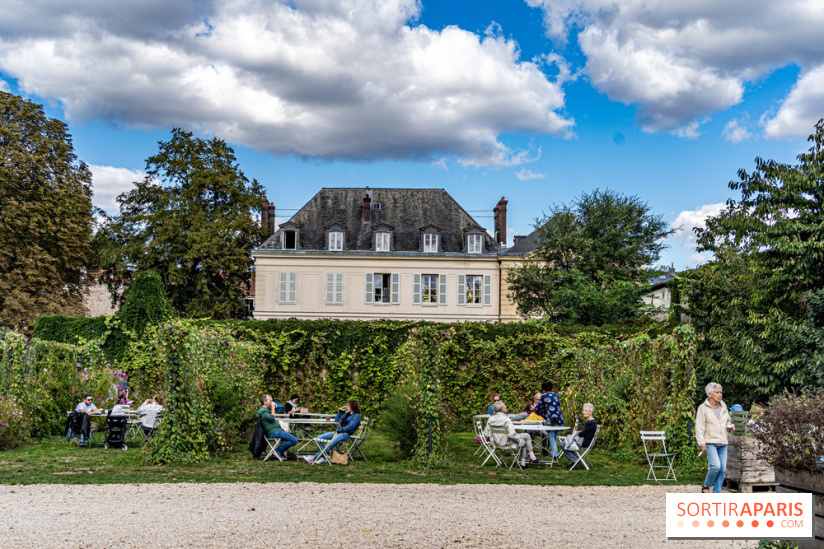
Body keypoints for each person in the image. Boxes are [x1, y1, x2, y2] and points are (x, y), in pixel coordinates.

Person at [695, 382, 735, 493]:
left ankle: (716, 494)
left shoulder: (723, 407)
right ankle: (706, 486)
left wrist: (730, 427)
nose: (720, 395)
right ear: (710, 394)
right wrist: (701, 442)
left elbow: (727, 421)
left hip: (723, 442)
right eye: (717, 392)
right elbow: (699, 426)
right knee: (716, 466)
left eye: (720, 392)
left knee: (722, 470)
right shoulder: (703, 408)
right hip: (710, 442)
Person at [302, 399, 361, 464]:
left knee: (328, 445)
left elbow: (350, 427)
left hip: (345, 434)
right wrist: (340, 411)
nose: (346, 407)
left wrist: (338, 431)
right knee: (319, 438)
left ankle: (312, 458)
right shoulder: (347, 414)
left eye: (348, 405)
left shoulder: (356, 416)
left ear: (352, 406)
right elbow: (336, 421)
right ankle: (323, 458)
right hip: (338, 432)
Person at [484, 400, 539, 468]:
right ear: (502, 409)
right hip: (508, 443)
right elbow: (512, 434)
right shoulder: (507, 419)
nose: (506, 406)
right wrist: (518, 440)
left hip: (496, 443)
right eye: (504, 405)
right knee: (525, 439)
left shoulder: (491, 419)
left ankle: (530, 460)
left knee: (526, 436)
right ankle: (526, 461)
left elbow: (486, 433)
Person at [257, 395, 299, 460]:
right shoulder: (263, 411)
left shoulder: (265, 410)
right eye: (270, 401)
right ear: (264, 402)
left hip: (277, 431)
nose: (272, 402)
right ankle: (278, 450)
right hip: (274, 432)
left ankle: (280, 451)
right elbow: (271, 418)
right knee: (294, 440)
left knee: (292, 437)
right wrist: (273, 407)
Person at [535, 381, 564, 458]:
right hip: (559, 417)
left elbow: (539, 406)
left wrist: (534, 408)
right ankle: (553, 453)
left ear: (543, 389)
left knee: (551, 435)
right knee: (554, 435)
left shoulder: (544, 396)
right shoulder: (555, 395)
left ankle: (555, 454)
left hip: (551, 418)